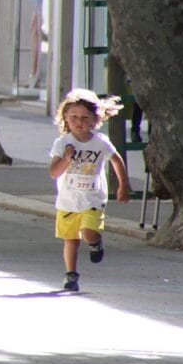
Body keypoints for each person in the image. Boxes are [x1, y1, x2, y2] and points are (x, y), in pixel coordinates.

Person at [48, 88, 130, 292]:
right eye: (74, 117)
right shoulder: (62, 143)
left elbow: (117, 160)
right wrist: (67, 159)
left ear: (95, 119)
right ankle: (71, 275)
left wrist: (123, 186)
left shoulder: (100, 142)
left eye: (85, 118)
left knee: (88, 233)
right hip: (68, 201)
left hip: (93, 198)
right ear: (65, 117)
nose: (79, 122)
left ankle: (95, 243)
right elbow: (54, 173)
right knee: (71, 240)